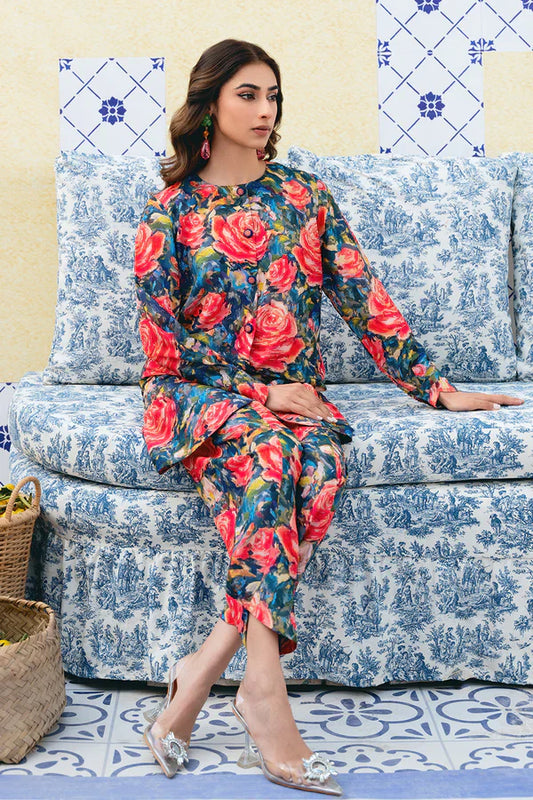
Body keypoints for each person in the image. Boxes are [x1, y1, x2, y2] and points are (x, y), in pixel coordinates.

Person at [134, 38, 524, 795]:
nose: (265, 109)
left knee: (319, 464)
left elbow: (361, 297)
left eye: (272, 95)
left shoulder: (304, 196)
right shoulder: (169, 209)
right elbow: (162, 342)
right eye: (248, 94)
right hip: (197, 393)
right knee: (272, 455)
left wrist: (435, 388)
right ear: (209, 102)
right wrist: (260, 394)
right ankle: (263, 692)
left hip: (294, 395)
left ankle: (205, 666)